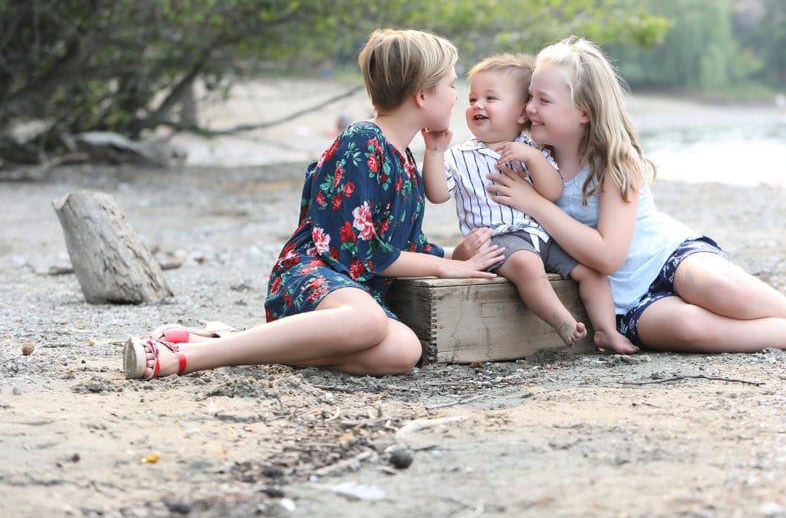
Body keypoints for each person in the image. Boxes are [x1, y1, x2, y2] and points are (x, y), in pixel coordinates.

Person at [486, 36, 786, 353]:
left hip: (667, 257)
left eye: (542, 101)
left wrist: (536, 204)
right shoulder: (530, 158)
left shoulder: (615, 161)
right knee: (694, 330)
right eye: (529, 99)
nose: (528, 110)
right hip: (622, 301)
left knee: (715, 286)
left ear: (583, 111)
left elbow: (608, 256)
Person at [123, 29, 506, 380]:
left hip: (356, 296)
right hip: (313, 278)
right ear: (422, 95)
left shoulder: (403, 157)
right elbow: (364, 251)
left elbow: (401, 245)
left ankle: (222, 341)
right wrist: (443, 266)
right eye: (452, 85)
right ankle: (185, 357)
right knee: (369, 322)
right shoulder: (362, 141)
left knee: (404, 350)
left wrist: (457, 255)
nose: (458, 96)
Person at [421, 54, 637, 353]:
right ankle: (561, 320)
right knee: (526, 264)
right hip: (499, 239)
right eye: (472, 99)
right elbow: (438, 193)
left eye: (490, 98)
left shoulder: (534, 149)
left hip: (540, 235)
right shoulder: (459, 156)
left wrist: (534, 159)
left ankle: (605, 331)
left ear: (522, 113)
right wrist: (433, 152)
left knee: (590, 272)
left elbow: (553, 191)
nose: (477, 105)